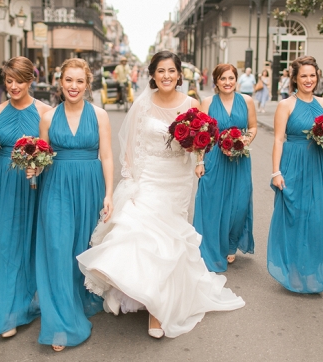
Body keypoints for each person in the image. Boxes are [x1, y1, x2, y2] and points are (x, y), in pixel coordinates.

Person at [77, 51, 245, 340]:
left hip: (177, 180)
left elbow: (202, 144)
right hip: (148, 178)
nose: (167, 76)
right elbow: (130, 147)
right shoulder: (142, 104)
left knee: (168, 241)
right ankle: (143, 296)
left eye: (172, 71)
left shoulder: (192, 104)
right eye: (161, 71)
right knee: (140, 234)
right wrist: (129, 182)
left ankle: (159, 306)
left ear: (179, 75)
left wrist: (198, 154)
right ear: (153, 75)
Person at [27, 58, 113, 352]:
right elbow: (42, 157)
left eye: (79, 81)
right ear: (59, 83)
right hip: (56, 188)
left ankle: (79, 298)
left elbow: (108, 156)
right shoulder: (48, 118)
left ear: (87, 84)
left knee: (82, 247)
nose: (73, 86)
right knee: (58, 249)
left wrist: (109, 193)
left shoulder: (100, 115)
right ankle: (61, 322)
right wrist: (33, 170)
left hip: (90, 186)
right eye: (68, 80)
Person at [0, 57, 52, 338]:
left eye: (20, 81)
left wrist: (37, 166)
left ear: (30, 81)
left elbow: (50, 152)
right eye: (9, 81)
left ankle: (28, 302)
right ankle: (6, 315)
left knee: (31, 244)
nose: (13, 86)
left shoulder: (46, 112)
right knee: (3, 246)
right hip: (2, 182)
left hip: (34, 184)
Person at [267, 56, 323, 293]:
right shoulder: (286, 105)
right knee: (294, 218)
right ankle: (292, 271)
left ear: (317, 77)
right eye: (303, 75)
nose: (308, 80)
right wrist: (276, 172)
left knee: (316, 219)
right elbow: (278, 139)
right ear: (294, 78)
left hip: (317, 164)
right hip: (292, 163)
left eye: (312, 75)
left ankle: (311, 272)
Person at [193, 63, 257, 272]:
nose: (227, 82)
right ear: (216, 82)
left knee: (239, 203)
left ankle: (231, 243)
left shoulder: (246, 101)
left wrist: (245, 140)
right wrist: (200, 161)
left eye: (231, 78)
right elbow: (202, 134)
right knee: (213, 204)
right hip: (215, 158)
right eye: (223, 79)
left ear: (236, 80)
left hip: (240, 158)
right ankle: (213, 246)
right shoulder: (208, 102)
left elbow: (253, 127)